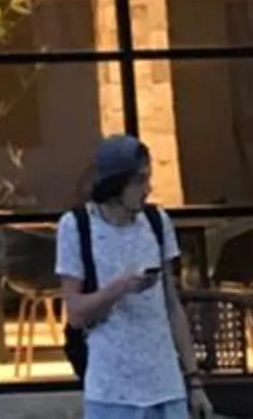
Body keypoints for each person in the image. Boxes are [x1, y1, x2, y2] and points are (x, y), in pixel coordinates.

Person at [55, 134, 210, 419]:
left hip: (166, 385)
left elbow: (172, 305)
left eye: (148, 178)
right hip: (112, 391)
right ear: (115, 183)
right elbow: (76, 314)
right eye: (139, 180)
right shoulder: (76, 226)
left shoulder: (156, 221)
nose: (147, 188)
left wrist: (194, 381)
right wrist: (118, 289)